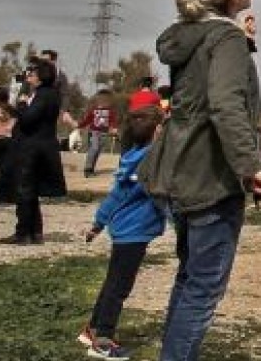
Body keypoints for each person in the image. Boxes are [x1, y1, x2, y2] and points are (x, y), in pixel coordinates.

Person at [138, 0, 261, 361]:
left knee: (190, 276)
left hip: (176, 169)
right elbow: (226, 105)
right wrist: (250, 167)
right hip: (209, 176)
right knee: (204, 287)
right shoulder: (225, 38)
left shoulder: (189, 35)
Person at [79, 108, 167, 360]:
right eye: (162, 126)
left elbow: (116, 195)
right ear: (156, 132)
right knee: (119, 287)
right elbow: (162, 197)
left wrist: (98, 224)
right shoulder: (150, 161)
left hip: (123, 230)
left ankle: (93, 329)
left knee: (112, 282)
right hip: (134, 232)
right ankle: (103, 341)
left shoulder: (133, 156)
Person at [0, 58, 67, 244]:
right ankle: (35, 231)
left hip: (33, 147)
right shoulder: (48, 93)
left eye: (32, 73)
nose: (28, 76)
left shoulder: (44, 95)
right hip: (40, 145)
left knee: (24, 190)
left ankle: (23, 233)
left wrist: (21, 104)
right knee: (31, 190)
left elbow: (28, 119)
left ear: (41, 76)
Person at [82, 89, 119, 178]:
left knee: (98, 150)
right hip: (94, 132)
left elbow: (113, 120)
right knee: (94, 148)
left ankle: (91, 168)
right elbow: (87, 120)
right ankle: (87, 169)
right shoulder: (94, 110)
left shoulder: (110, 111)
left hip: (104, 133)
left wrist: (114, 128)